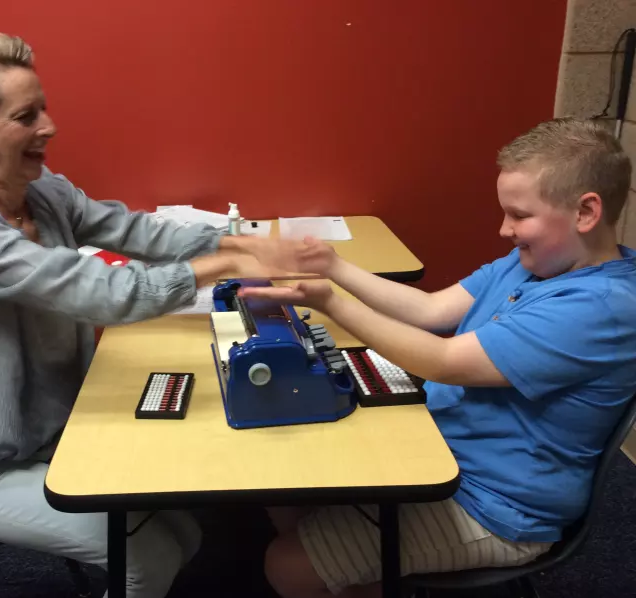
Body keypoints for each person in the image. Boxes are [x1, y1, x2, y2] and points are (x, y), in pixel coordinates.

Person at [0, 33, 302, 598]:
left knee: (186, 534)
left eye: (43, 107)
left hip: (62, 437)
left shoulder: (42, 190)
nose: (48, 126)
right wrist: (224, 263)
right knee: (144, 560)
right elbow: (99, 292)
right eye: (26, 115)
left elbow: (135, 231)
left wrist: (240, 239)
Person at [239, 117, 636, 598]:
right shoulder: (534, 262)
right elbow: (431, 309)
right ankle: (355, 572)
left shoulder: (601, 307)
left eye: (519, 215)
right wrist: (334, 268)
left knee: (287, 565)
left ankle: (346, 573)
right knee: (287, 485)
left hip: (498, 506)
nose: (504, 228)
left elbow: (443, 360)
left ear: (586, 212)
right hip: (441, 451)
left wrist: (329, 300)